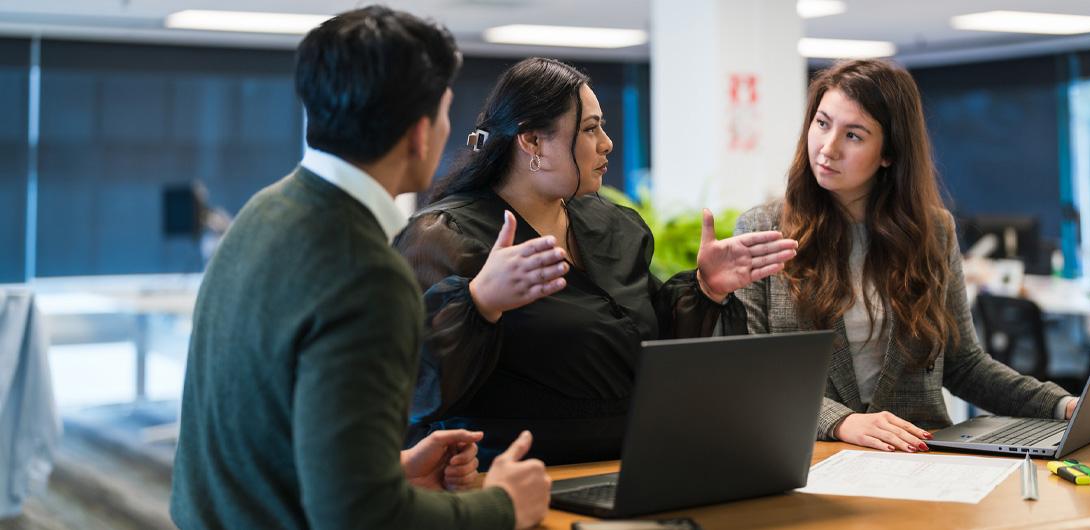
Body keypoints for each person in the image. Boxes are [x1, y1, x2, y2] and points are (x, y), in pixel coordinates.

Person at [170, 7, 551, 529]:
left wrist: (382, 469)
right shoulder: (367, 273)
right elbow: (359, 518)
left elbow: (267, 437)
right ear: (420, 135)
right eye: (445, 114)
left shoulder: (262, 211)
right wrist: (502, 504)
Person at [395, 57, 797, 467]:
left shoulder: (612, 225)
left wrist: (705, 287)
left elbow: (640, 345)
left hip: (630, 465)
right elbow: (409, 388)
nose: (606, 142)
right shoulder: (445, 237)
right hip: (516, 476)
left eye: (601, 126)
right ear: (532, 142)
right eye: (589, 129)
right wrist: (479, 302)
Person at [731, 59, 1090, 453]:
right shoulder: (762, 231)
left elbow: (964, 365)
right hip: (811, 458)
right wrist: (842, 422)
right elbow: (752, 374)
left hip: (924, 458)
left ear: (888, 153)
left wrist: (1063, 406)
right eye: (822, 123)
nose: (828, 147)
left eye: (854, 135)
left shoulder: (932, 234)